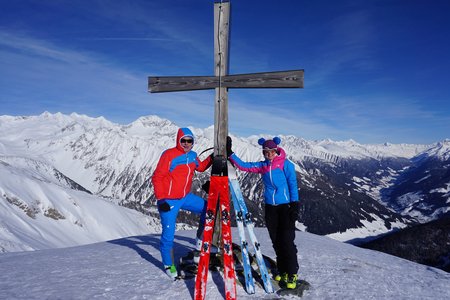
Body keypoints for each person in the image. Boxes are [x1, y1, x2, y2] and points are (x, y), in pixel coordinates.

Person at [227, 136, 300, 289]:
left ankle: (292, 273)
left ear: (276, 150)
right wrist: (230, 153)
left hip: (285, 207)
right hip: (270, 208)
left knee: (286, 241)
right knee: (276, 241)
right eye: (266, 152)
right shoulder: (264, 166)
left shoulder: (286, 165)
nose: (269, 154)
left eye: (271, 152)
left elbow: (293, 184)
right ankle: (282, 270)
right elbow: (244, 166)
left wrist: (295, 204)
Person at [151, 127, 213, 279]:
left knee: (208, 208)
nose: (186, 143)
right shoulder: (169, 155)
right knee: (168, 235)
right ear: (178, 140)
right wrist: (161, 199)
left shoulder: (192, 155)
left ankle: (200, 241)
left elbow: (201, 167)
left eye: (189, 141)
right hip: (169, 200)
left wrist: (213, 157)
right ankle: (168, 265)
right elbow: (157, 177)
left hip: (185, 197)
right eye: (183, 140)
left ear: (193, 142)